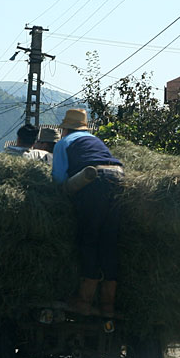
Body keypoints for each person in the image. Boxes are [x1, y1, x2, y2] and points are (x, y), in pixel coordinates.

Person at [51, 108, 124, 318]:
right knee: (109, 240)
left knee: (89, 238)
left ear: (65, 129)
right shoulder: (96, 141)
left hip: (93, 180)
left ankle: (84, 300)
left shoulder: (63, 143)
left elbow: (58, 178)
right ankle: (108, 304)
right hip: (119, 178)